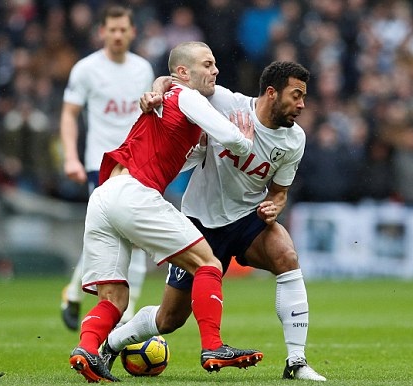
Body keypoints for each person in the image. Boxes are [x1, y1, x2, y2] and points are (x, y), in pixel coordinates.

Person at [100, 61, 327, 381]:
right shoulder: (224, 101)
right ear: (272, 93)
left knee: (286, 256)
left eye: (304, 97)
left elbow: (279, 192)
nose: (302, 105)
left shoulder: (295, 140)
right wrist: (154, 92)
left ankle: (297, 361)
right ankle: (110, 345)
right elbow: (173, 81)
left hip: (247, 219)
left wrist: (273, 207)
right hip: (199, 223)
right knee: (169, 319)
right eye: (296, 95)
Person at [68, 41, 263, 383]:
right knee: (208, 263)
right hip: (134, 194)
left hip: (103, 196)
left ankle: (86, 349)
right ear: (184, 73)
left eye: (215, 63)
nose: (215, 70)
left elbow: (179, 153)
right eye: (208, 63)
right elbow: (233, 139)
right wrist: (245, 140)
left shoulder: (165, 99)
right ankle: (213, 346)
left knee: (114, 298)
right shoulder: (185, 96)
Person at [59, 5, 154, 331]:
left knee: (134, 237)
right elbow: (70, 113)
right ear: (102, 32)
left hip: (137, 164)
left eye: (122, 29)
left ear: (132, 32)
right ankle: (76, 293)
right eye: (111, 29)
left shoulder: (143, 69)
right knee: (105, 236)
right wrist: (70, 156)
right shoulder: (86, 69)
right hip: (99, 165)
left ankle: (123, 317)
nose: (117, 35)